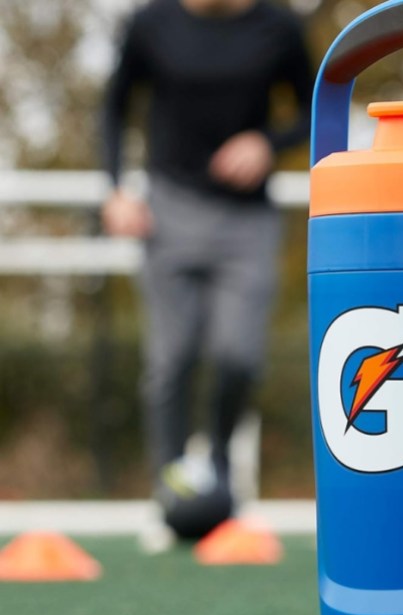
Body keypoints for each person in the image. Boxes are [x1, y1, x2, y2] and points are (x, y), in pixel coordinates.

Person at [101, 0, 315, 539]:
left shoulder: (279, 26)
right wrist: (116, 189)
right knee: (171, 359)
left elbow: (316, 108)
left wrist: (267, 142)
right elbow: (114, 107)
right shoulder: (151, 24)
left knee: (239, 356)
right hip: (168, 208)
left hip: (247, 221)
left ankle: (217, 468)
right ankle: (171, 488)